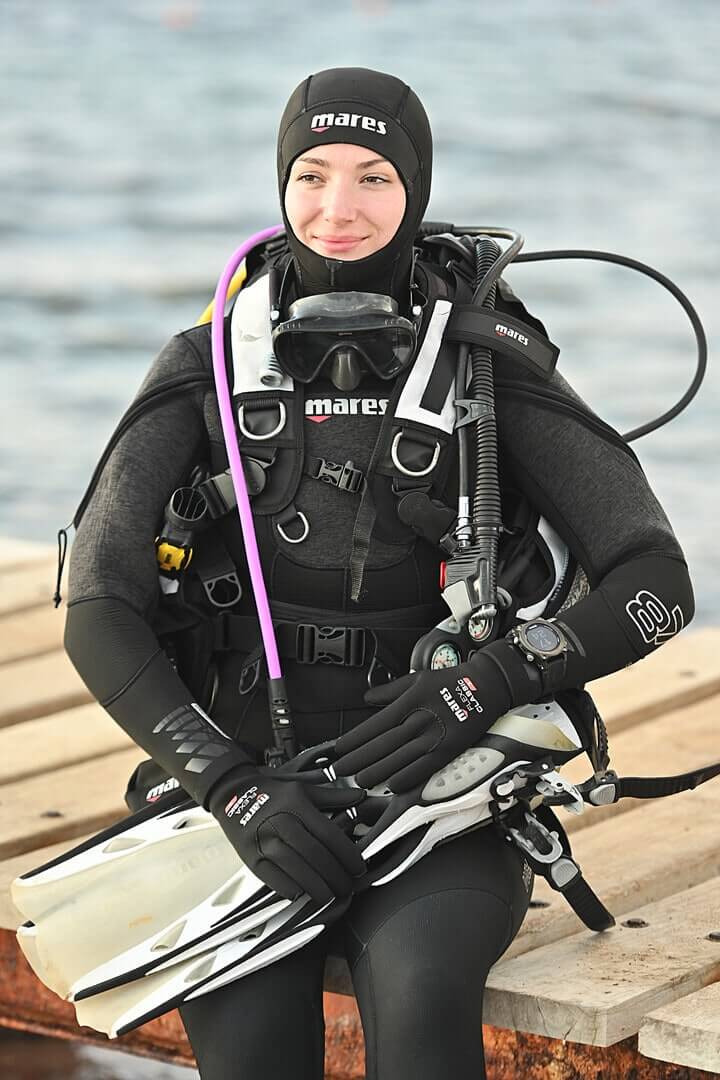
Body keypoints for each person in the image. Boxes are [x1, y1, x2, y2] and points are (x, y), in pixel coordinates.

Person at [63, 67, 693, 1079]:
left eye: (373, 177)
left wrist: (500, 675)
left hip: (446, 794)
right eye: (310, 175)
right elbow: (96, 609)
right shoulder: (205, 366)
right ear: (279, 185)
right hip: (249, 786)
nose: (338, 208)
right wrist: (229, 788)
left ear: (418, 188)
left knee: (419, 1001)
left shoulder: (490, 363)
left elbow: (658, 584)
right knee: (254, 1036)